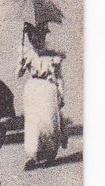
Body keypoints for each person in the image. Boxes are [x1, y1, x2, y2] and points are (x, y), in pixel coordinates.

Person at [18, 23, 68, 169]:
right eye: (32, 37)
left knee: (48, 122)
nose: (36, 40)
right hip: (33, 88)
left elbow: (59, 77)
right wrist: (21, 64)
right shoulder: (27, 53)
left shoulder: (53, 55)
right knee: (33, 122)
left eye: (39, 36)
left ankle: (50, 153)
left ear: (44, 36)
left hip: (48, 89)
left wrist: (61, 94)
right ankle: (32, 155)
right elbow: (18, 74)